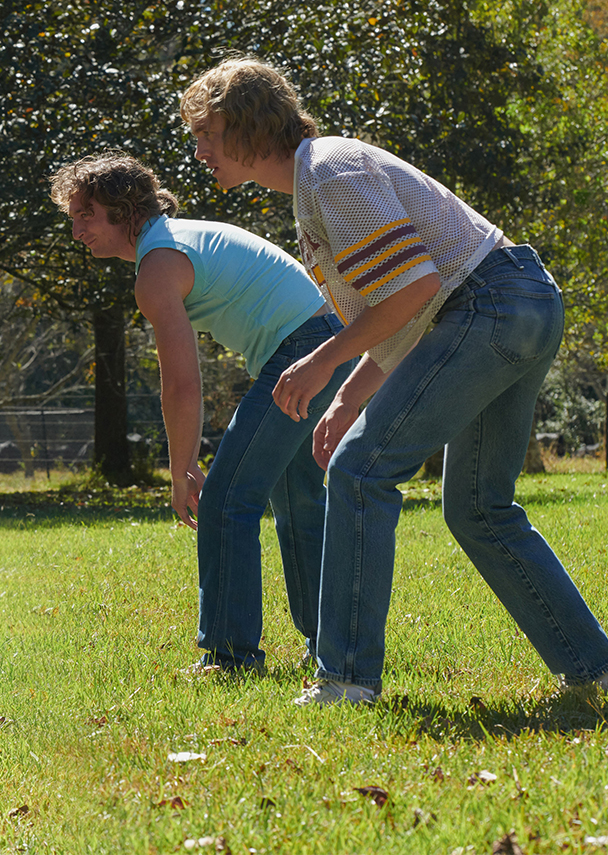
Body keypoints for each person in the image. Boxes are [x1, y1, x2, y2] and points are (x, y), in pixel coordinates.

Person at [180, 55, 608, 705]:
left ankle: (346, 677)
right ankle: (594, 668)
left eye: (205, 131)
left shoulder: (328, 170)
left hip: (487, 306)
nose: (198, 149)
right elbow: (403, 309)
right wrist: (349, 396)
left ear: (245, 125)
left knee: (359, 472)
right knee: (480, 509)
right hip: (516, 305)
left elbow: (416, 290)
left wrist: (324, 362)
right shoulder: (316, 179)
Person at [50, 152, 355, 673]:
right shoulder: (175, 240)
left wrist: (182, 466)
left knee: (226, 498)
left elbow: (183, 385)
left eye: (88, 215)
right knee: (298, 499)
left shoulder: (159, 264)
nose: (77, 230)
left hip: (306, 350)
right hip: (329, 342)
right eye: (73, 217)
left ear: (124, 211)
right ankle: (330, 646)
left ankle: (230, 655)